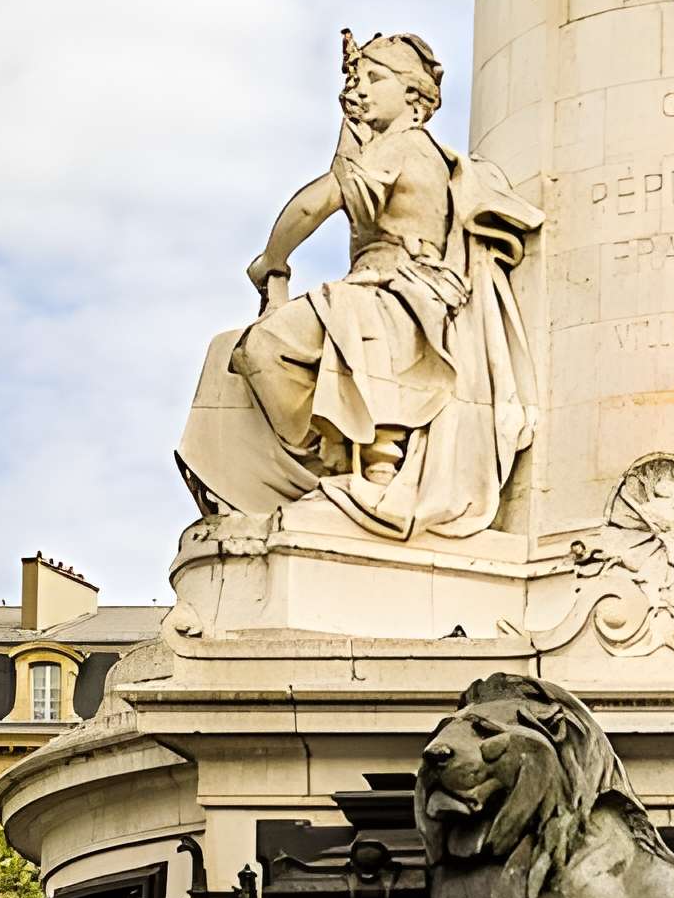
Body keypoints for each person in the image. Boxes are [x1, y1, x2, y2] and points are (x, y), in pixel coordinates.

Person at [177, 31, 540, 541]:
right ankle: (329, 468)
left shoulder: (407, 145)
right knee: (229, 353)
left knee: (265, 344)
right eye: (356, 79)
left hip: (399, 299)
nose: (361, 89)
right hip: (377, 293)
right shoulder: (390, 147)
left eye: (375, 78)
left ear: (414, 97)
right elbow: (342, 174)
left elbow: (318, 202)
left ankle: (342, 470)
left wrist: (271, 261)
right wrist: (348, 128)